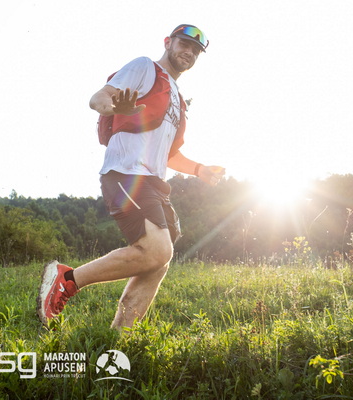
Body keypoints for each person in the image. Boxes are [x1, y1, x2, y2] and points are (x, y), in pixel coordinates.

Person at [36, 24, 225, 330]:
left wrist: (199, 169)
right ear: (168, 42)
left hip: (155, 182)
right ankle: (67, 280)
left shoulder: (177, 98)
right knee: (157, 250)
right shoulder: (144, 68)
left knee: (159, 260)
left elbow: (168, 153)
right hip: (126, 173)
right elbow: (97, 99)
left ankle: (119, 336)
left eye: (195, 50)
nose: (189, 52)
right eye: (183, 44)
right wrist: (115, 108)